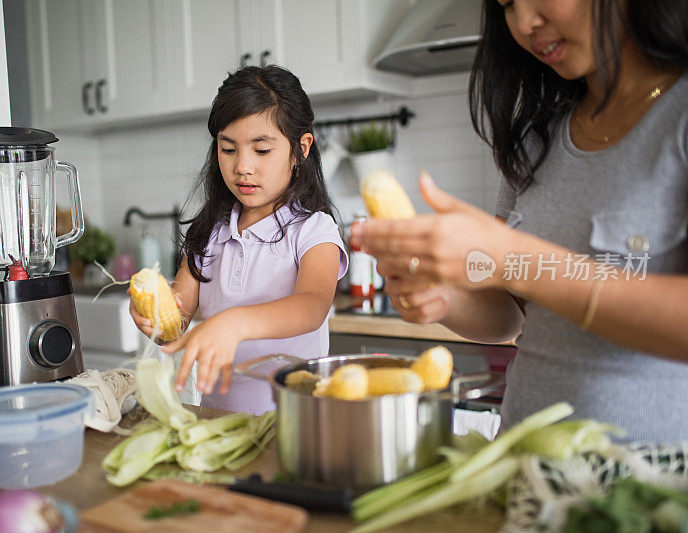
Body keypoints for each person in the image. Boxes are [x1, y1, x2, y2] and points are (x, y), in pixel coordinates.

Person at [350, 0, 688, 442]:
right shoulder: (536, 139)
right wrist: (445, 297)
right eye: (507, 5)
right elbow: (511, 314)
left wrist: (512, 256)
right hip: (523, 466)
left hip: (648, 487)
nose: (524, 23)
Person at [130, 65, 347, 415]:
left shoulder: (314, 230)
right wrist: (153, 318)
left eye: (261, 151)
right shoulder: (210, 231)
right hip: (219, 422)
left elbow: (312, 306)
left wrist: (235, 323)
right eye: (228, 149)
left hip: (295, 427)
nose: (242, 166)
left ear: (300, 149)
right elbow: (176, 324)